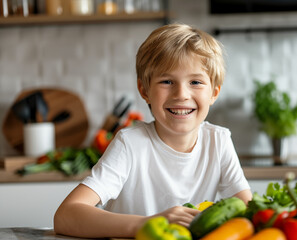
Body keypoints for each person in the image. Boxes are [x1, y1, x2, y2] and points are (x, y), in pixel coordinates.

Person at [53, 23, 252, 238]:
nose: (181, 94)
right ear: (144, 90)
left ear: (214, 93)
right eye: (167, 81)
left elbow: (247, 212)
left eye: (195, 81)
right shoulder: (130, 144)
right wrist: (150, 223)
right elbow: (66, 216)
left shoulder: (219, 141)